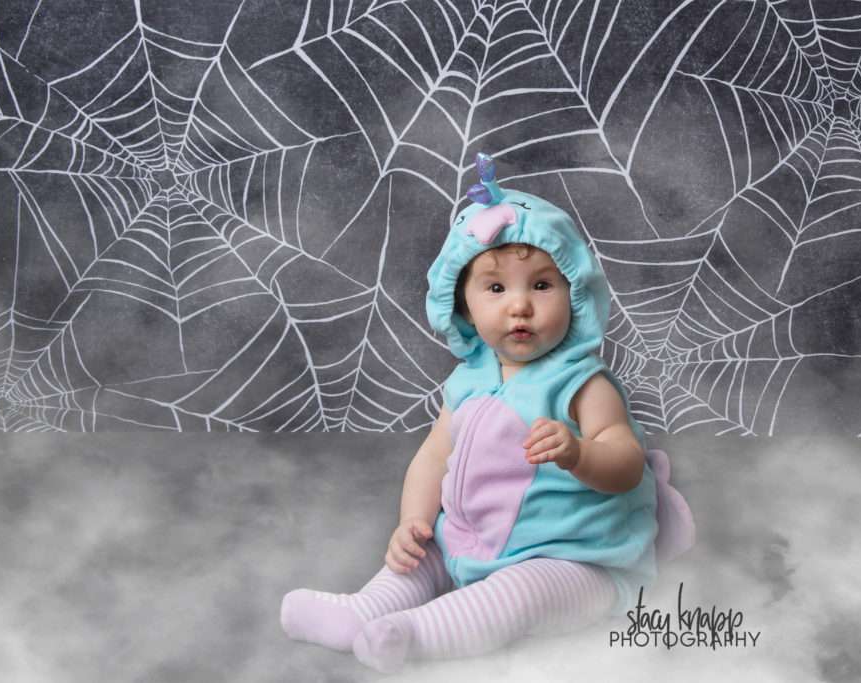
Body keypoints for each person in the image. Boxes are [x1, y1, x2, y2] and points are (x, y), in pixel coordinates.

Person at [280, 153, 695, 673]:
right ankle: (363, 610)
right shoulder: (468, 380)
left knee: (519, 594)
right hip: (470, 543)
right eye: (496, 288)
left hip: (576, 564)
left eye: (541, 285)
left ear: (576, 295)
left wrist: (580, 453)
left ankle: (418, 634)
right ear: (464, 304)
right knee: (421, 559)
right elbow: (434, 456)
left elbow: (626, 460)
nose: (519, 306)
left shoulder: (582, 382)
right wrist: (413, 520)